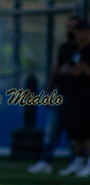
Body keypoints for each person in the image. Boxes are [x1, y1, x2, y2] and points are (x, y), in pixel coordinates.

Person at [31, 15, 79, 174]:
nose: (69, 31)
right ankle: (45, 161)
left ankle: (76, 161)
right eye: (68, 27)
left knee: (76, 132)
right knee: (51, 130)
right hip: (62, 94)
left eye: (73, 27)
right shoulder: (65, 47)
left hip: (78, 97)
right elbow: (57, 70)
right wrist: (49, 90)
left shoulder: (84, 49)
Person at [62, 19, 90, 177]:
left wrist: (73, 70)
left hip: (87, 95)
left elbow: (80, 71)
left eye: (80, 31)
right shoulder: (74, 49)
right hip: (74, 94)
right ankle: (78, 162)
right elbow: (64, 68)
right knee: (76, 130)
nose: (77, 34)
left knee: (87, 131)